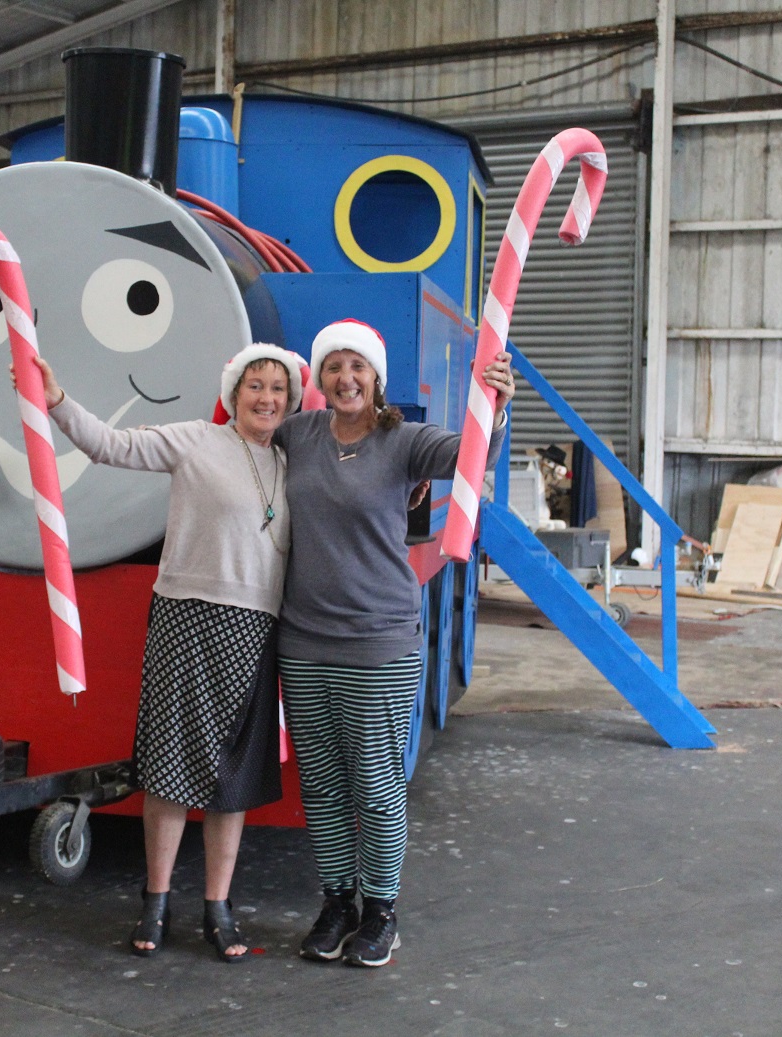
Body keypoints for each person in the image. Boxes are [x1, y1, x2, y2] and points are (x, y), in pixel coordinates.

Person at [17, 343, 302, 963]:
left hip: (258, 631)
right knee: (170, 771)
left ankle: (218, 908)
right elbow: (109, 446)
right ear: (234, 392)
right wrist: (57, 398)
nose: (266, 397)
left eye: (278, 388)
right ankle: (155, 900)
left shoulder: (290, 463)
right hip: (186, 618)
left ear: (291, 400)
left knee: (234, 780)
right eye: (255, 384)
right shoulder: (196, 440)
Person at [272, 318, 516, 968]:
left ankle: (381, 910)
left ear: (377, 377)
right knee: (321, 786)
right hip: (303, 640)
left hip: (379, 641)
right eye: (333, 366)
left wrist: (496, 402)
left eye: (357, 366)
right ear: (318, 378)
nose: (345, 377)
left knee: (376, 786)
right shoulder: (297, 435)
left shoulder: (403, 441)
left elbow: (473, 455)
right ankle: (337, 902)